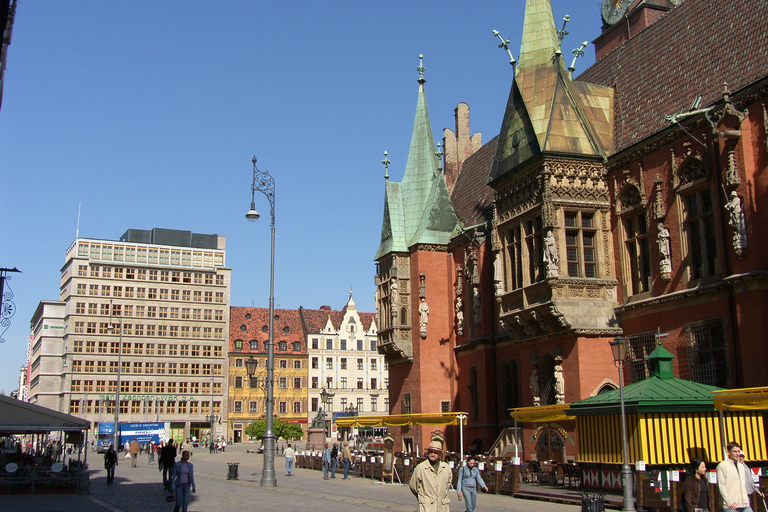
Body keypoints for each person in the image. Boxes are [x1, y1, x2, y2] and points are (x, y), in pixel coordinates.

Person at [409, 439, 452, 512]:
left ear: (440, 454)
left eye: (435, 452)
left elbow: (448, 485)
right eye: (431, 452)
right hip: (427, 506)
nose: (433, 454)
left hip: (442, 506)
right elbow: (413, 486)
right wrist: (422, 497)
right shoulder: (421, 468)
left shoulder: (446, 468)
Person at [717, 442, 752, 512]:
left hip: (744, 504)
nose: (737, 454)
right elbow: (721, 486)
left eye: (739, 451)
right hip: (730, 505)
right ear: (729, 452)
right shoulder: (722, 466)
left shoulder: (741, 466)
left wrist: (747, 499)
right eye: (735, 451)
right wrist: (728, 501)